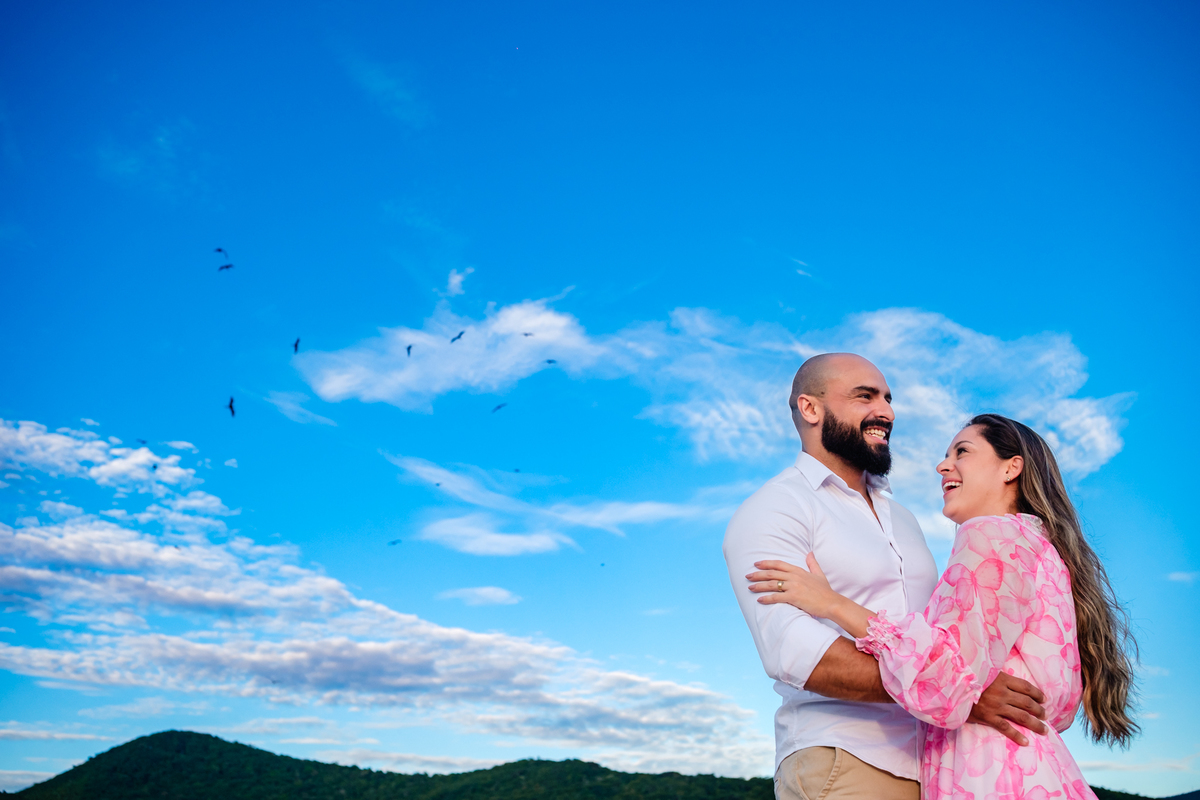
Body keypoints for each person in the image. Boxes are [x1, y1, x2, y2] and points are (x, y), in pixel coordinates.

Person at [747, 413, 1138, 800]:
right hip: (1033, 769)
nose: (943, 465)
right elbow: (1055, 705)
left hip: (990, 774)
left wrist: (833, 604)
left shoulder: (991, 535)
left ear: (1011, 468)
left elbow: (947, 685)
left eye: (962, 451)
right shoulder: (1039, 546)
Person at [724, 354, 1051, 800]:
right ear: (810, 409)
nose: (887, 412)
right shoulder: (775, 509)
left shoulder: (906, 520)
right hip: (848, 758)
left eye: (888, 398)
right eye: (865, 396)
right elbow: (798, 656)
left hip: (941, 768)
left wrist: (959, 690)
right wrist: (963, 694)